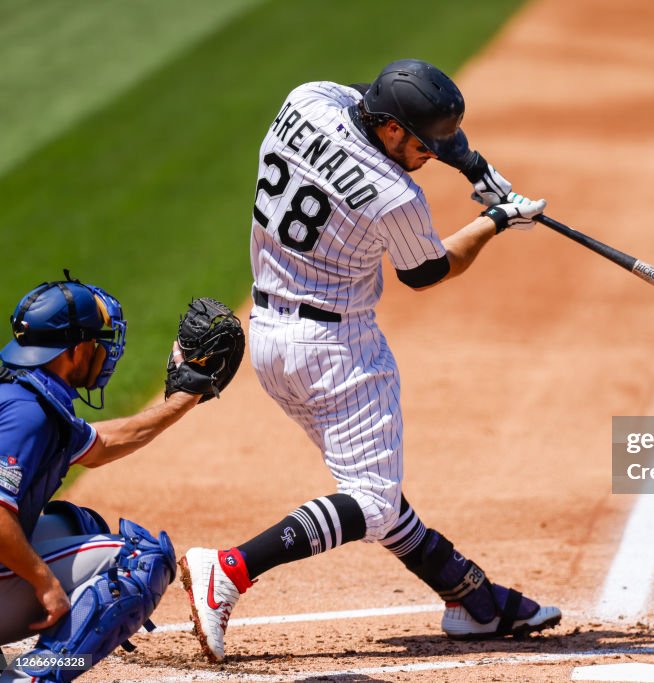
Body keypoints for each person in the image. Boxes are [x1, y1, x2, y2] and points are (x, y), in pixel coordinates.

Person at [179, 59, 559, 662]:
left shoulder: (306, 99)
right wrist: (497, 218)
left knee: (371, 490)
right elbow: (430, 271)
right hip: (337, 352)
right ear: (388, 130)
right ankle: (228, 569)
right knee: (373, 500)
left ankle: (472, 599)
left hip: (272, 339)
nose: (431, 155)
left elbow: (366, 97)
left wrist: (472, 165)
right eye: (424, 144)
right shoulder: (395, 198)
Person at [0, 274, 203, 682]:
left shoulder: (24, 394)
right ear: (75, 350)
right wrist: (45, 584)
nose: (104, 350)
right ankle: (29, 678)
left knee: (80, 524)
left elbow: (107, 442)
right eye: (97, 341)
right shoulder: (29, 415)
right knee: (139, 562)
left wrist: (186, 397)